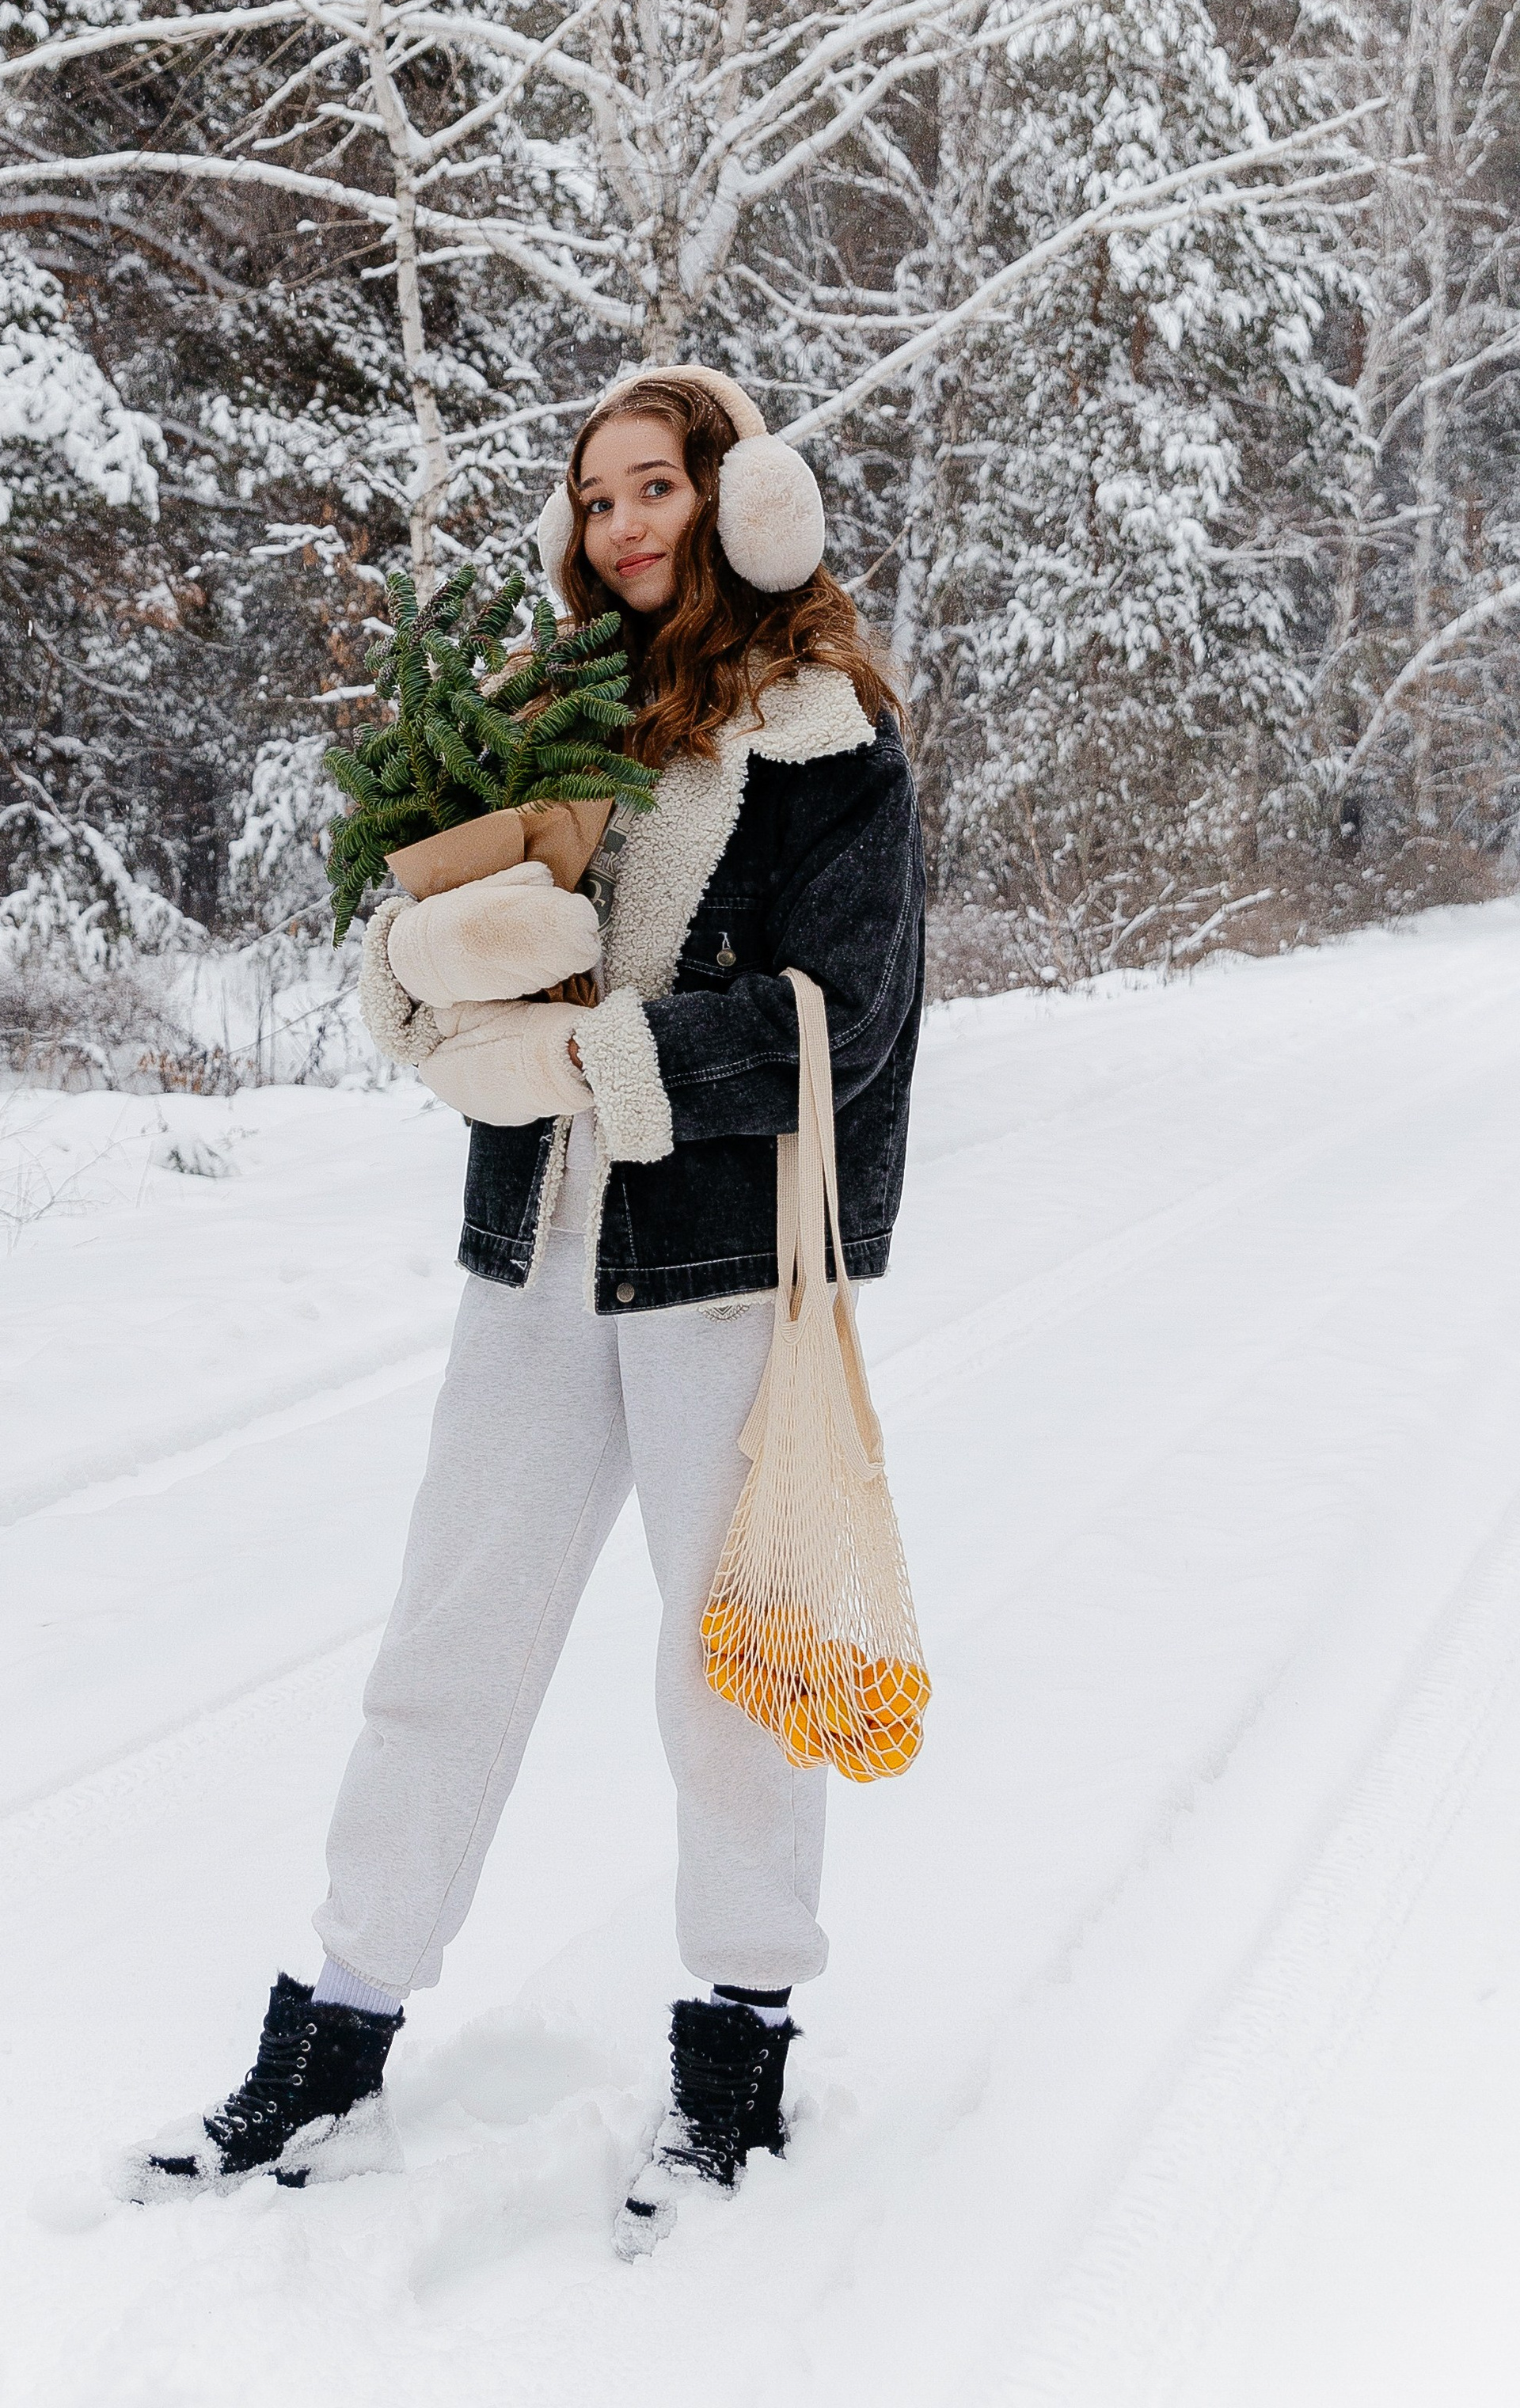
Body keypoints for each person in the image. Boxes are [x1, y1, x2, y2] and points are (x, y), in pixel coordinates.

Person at [120, 367, 926, 2254]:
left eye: (656, 487)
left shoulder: (829, 742)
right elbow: (465, 947)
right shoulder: (542, 718)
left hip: (715, 1267)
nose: (621, 524)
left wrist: (600, 1057)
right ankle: (335, 2031)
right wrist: (421, 979)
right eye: (595, 495)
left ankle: (738, 2047)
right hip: (540, 1254)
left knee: (727, 1675)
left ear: (736, 500)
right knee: (447, 1644)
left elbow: (843, 1023)